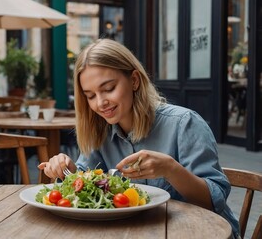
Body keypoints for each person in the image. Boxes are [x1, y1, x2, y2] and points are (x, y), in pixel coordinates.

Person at [38, 39, 239, 238]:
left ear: (134, 80)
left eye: (108, 89)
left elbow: (214, 201)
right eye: (90, 96)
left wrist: (171, 169)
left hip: (200, 232)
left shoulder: (184, 123)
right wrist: (69, 170)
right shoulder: (99, 131)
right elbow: (86, 182)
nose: (100, 103)